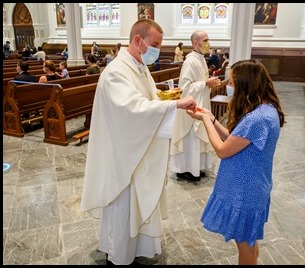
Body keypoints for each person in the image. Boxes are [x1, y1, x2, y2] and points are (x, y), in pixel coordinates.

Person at [79, 19, 197, 266]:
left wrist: (167, 101)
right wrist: (173, 105)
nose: (156, 50)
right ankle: (120, 255)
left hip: (138, 150)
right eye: (154, 44)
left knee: (139, 203)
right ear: (137, 40)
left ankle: (138, 249)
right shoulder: (116, 72)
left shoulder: (139, 66)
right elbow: (132, 109)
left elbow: (149, 100)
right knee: (125, 206)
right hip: (124, 155)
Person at [186, 59, 285, 265]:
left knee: (245, 246)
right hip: (253, 184)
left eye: (232, 82)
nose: (228, 86)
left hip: (245, 190)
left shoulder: (256, 119)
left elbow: (222, 150)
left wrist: (205, 121)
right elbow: (233, 139)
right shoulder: (267, 109)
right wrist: (212, 118)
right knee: (249, 241)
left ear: (245, 85)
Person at [170, 30, 221, 182]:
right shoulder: (190, 61)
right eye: (205, 40)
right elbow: (185, 88)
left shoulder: (201, 59)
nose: (208, 43)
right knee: (191, 138)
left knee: (198, 139)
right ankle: (186, 170)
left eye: (208, 39)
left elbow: (200, 83)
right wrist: (205, 83)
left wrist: (209, 84)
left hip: (201, 103)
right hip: (191, 107)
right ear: (195, 43)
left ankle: (196, 168)